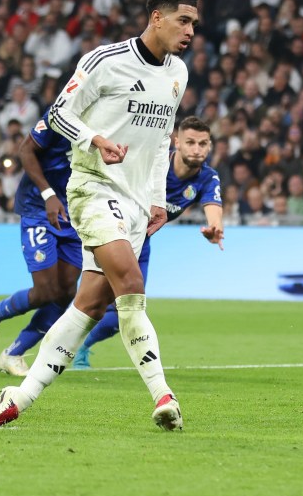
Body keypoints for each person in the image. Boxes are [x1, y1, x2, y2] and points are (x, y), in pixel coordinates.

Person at [0, 0, 208, 431]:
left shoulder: (178, 73)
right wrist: (94, 139)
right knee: (131, 280)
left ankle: (18, 397)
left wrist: (158, 199)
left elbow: (163, 139)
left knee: (88, 306)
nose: (191, 31)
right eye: (183, 20)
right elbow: (60, 113)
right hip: (92, 188)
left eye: (195, 23)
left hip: (140, 202)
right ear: (156, 18)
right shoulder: (106, 61)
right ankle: (163, 395)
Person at [72, 117, 223, 368]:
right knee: (90, 304)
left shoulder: (207, 177)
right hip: (114, 234)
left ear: (210, 146)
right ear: (177, 143)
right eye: (190, 142)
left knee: (126, 311)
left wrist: (214, 229)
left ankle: (81, 347)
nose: (197, 149)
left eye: (203, 143)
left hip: (142, 242)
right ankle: (57, 350)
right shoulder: (155, 162)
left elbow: (214, 211)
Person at [0, 110, 82, 375]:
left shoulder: (113, 120)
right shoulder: (63, 112)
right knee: (45, 292)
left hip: (76, 212)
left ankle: (14, 353)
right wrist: (48, 194)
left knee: (66, 293)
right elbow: (25, 151)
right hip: (39, 209)